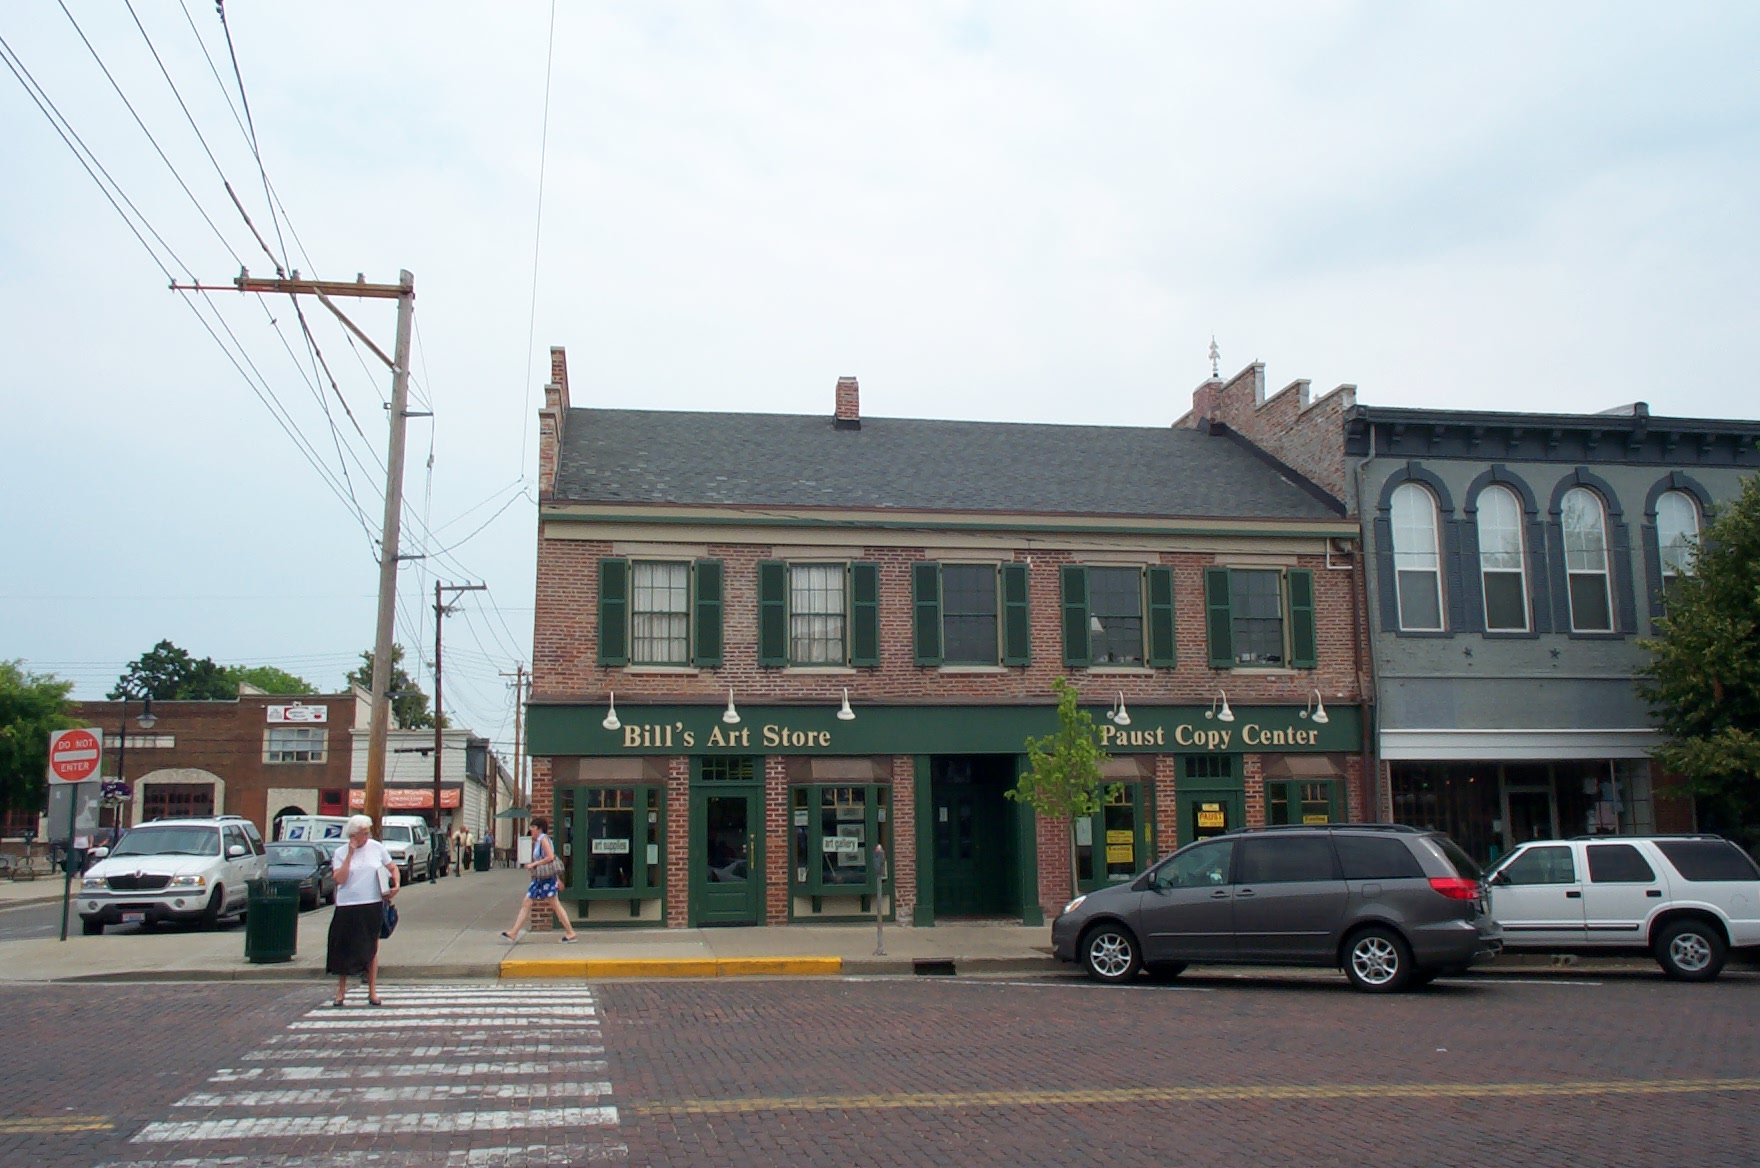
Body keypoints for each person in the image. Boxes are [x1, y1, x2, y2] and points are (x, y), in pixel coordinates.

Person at [326, 814, 400, 1007]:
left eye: (367, 833)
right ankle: (341, 991)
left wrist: (396, 885)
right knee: (344, 947)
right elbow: (339, 879)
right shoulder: (341, 852)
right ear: (353, 835)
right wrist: (350, 854)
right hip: (347, 904)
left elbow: (392, 867)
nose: (366, 837)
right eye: (362, 834)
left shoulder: (377, 848)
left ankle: (372, 991)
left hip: (372, 902)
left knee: (371, 947)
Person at [501, 816, 578, 943]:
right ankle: (513, 933)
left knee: (554, 904)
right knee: (528, 902)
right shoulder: (539, 841)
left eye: (533, 827)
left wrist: (534, 864)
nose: (531, 830)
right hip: (541, 879)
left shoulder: (543, 839)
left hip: (545, 879)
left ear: (539, 829)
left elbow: (550, 857)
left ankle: (570, 933)